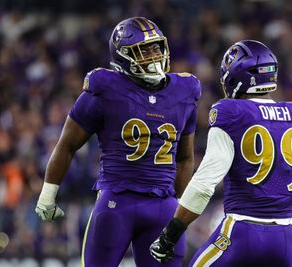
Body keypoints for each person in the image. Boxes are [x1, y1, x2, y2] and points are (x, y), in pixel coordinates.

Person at [35, 17, 201, 267]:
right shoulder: (106, 88)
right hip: (117, 201)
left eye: (156, 47)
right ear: (123, 55)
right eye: (143, 50)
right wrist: (47, 194)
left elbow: (185, 158)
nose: (154, 55)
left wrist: (180, 204)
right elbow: (67, 145)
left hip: (162, 206)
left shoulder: (185, 90)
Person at [150, 40, 292, 267]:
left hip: (242, 231)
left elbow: (204, 183)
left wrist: (170, 234)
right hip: (286, 237)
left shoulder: (231, 112)